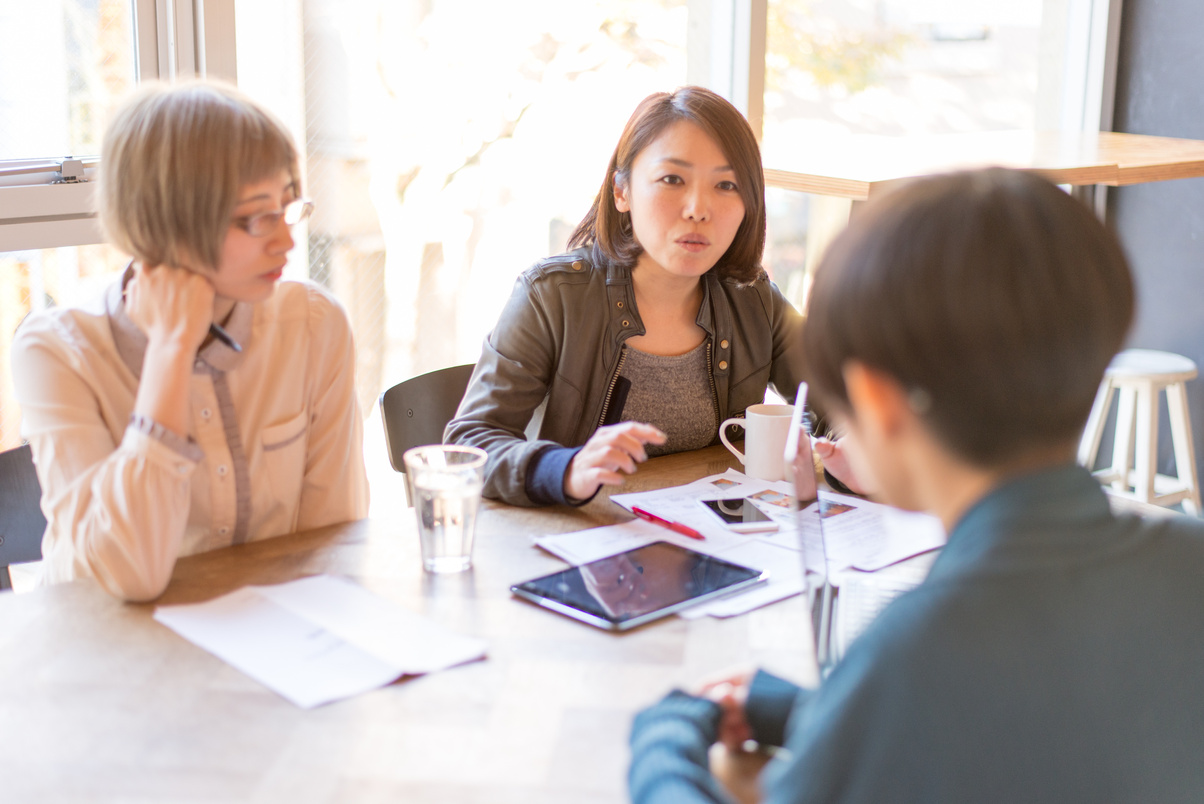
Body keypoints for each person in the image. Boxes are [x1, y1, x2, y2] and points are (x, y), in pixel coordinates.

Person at [628, 167, 1204, 803]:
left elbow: (933, 703)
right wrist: (823, 713)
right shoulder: (1189, 562)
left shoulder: (916, 652)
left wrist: (664, 741)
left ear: (876, 400)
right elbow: (1040, 737)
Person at [11, 81, 369, 602]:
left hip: (271, 642)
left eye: (288, 207)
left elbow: (332, 540)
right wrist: (170, 352)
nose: (287, 240)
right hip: (101, 648)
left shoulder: (314, 325)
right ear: (168, 223)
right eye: (256, 217)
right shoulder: (56, 352)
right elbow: (127, 574)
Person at [447, 86, 854, 507]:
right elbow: (469, 442)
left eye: (726, 184)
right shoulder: (551, 296)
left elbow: (843, 405)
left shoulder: (754, 300)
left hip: (718, 545)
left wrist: (853, 457)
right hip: (582, 543)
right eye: (672, 179)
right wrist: (566, 469)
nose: (698, 208)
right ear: (621, 191)